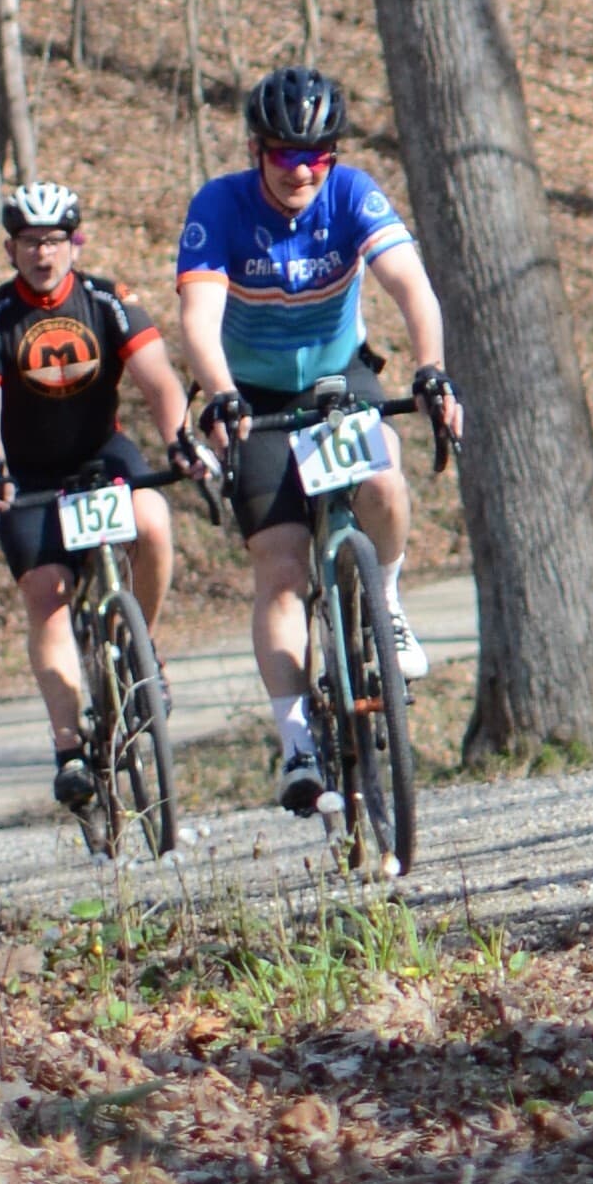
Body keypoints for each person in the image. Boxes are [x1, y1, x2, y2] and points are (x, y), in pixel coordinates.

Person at [177, 67, 464, 816]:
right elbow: (199, 317)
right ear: (255, 151)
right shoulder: (221, 205)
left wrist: (432, 369)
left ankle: (387, 595)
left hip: (336, 376)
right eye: (283, 154)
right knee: (279, 567)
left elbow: (410, 284)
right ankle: (298, 741)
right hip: (254, 396)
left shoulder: (352, 192)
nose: (302, 169)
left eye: (317, 154)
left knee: (383, 481)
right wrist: (221, 392)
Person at [0, 181, 191, 810]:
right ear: (10, 249)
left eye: (55, 241)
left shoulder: (108, 301)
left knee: (153, 521)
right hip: (29, 474)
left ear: (73, 242)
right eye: (30, 243)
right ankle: (69, 749)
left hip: (98, 454)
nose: (43, 254)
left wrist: (178, 440)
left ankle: (142, 651)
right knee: (46, 593)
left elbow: (159, 380)